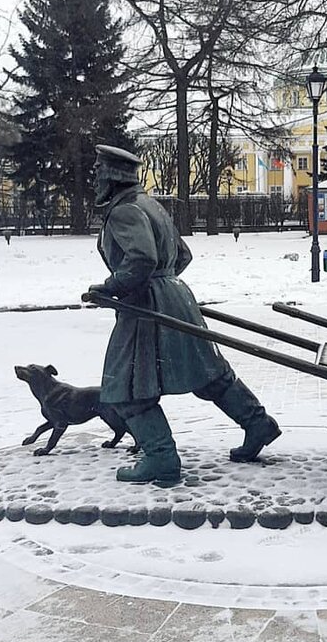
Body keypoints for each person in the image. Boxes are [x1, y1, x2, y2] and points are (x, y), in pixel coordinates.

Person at [82, 145, 280, 486]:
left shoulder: (125, 211)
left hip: (146, 304)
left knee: (126, 386)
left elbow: (141, 258)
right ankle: (257, 423)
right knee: (208, 372)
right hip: (175, 296)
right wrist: (167, 283)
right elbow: (183, 254)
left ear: (112, 176)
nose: (95, 177)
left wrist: (113, 285)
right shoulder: (150, 205)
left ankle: (161, 459)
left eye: (99, 171)